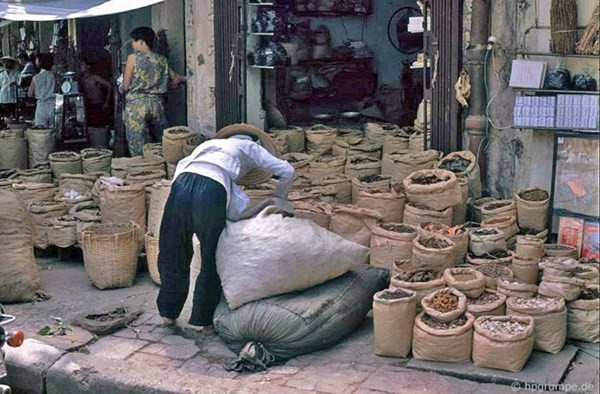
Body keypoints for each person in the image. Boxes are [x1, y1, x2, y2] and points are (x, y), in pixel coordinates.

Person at [156, 127, 295, 335]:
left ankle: (168, 312)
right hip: (211, 189)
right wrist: (279, 200)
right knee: (213, 254)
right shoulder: (249, 146)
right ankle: (205, 322)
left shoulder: (206, 148)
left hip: (181, 184)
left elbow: (228, 202)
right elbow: (288, 171)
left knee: (173, 249)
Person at [118, 26, 186, 156]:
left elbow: (125, 86)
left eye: (133, 41)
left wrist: (120, 89)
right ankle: (163, 164)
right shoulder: (162, 60)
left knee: (137, 144)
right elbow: (176, 79)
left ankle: (143, 169)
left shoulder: (133, 58)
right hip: (157, 105)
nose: (132, 44)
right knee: (162, 141)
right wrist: (187, 79)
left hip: (136, 106)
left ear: (141, 42)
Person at [78, 56, 113, 128]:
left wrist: (107, 102)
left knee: (101, 126)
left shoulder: (95, 78)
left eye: (82, 65)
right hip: (89, 107)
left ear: (88, 67)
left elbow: (109, 86)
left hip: (99, 105)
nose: (80, 67)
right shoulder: (81, 80)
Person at [27, 53, 56, 127]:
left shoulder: (36, 77)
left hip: (41, 106)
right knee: (54, 130)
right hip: (54, 105)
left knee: (41, 132)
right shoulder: (55, 76)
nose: (35, 61)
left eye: (37, 59)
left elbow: (29, 94)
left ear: (40, 62)